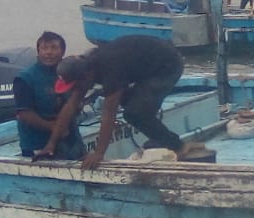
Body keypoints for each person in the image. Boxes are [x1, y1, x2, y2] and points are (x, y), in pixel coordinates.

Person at [37, 34, 196, 170]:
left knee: (135, 113)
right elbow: (70, 105)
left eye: (76, 85)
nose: (76, 89)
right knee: (134, 105)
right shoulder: (85, 69)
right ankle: (159, 138)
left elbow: (109, 113)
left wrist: (99, 153)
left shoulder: (110, 69)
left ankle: (178, 146)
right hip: (143, 66)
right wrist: (51, 143)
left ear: (86, 76)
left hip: (167, 65)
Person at [13, 31, 84, 160]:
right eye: (44, 48)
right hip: (37, 143)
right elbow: (24, 114)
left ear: (63, 52)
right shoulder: (25, 78)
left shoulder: (70, 73)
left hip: (72, 140)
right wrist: (53, 128)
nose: (49, 52)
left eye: (54, 48)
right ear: (38, 52)